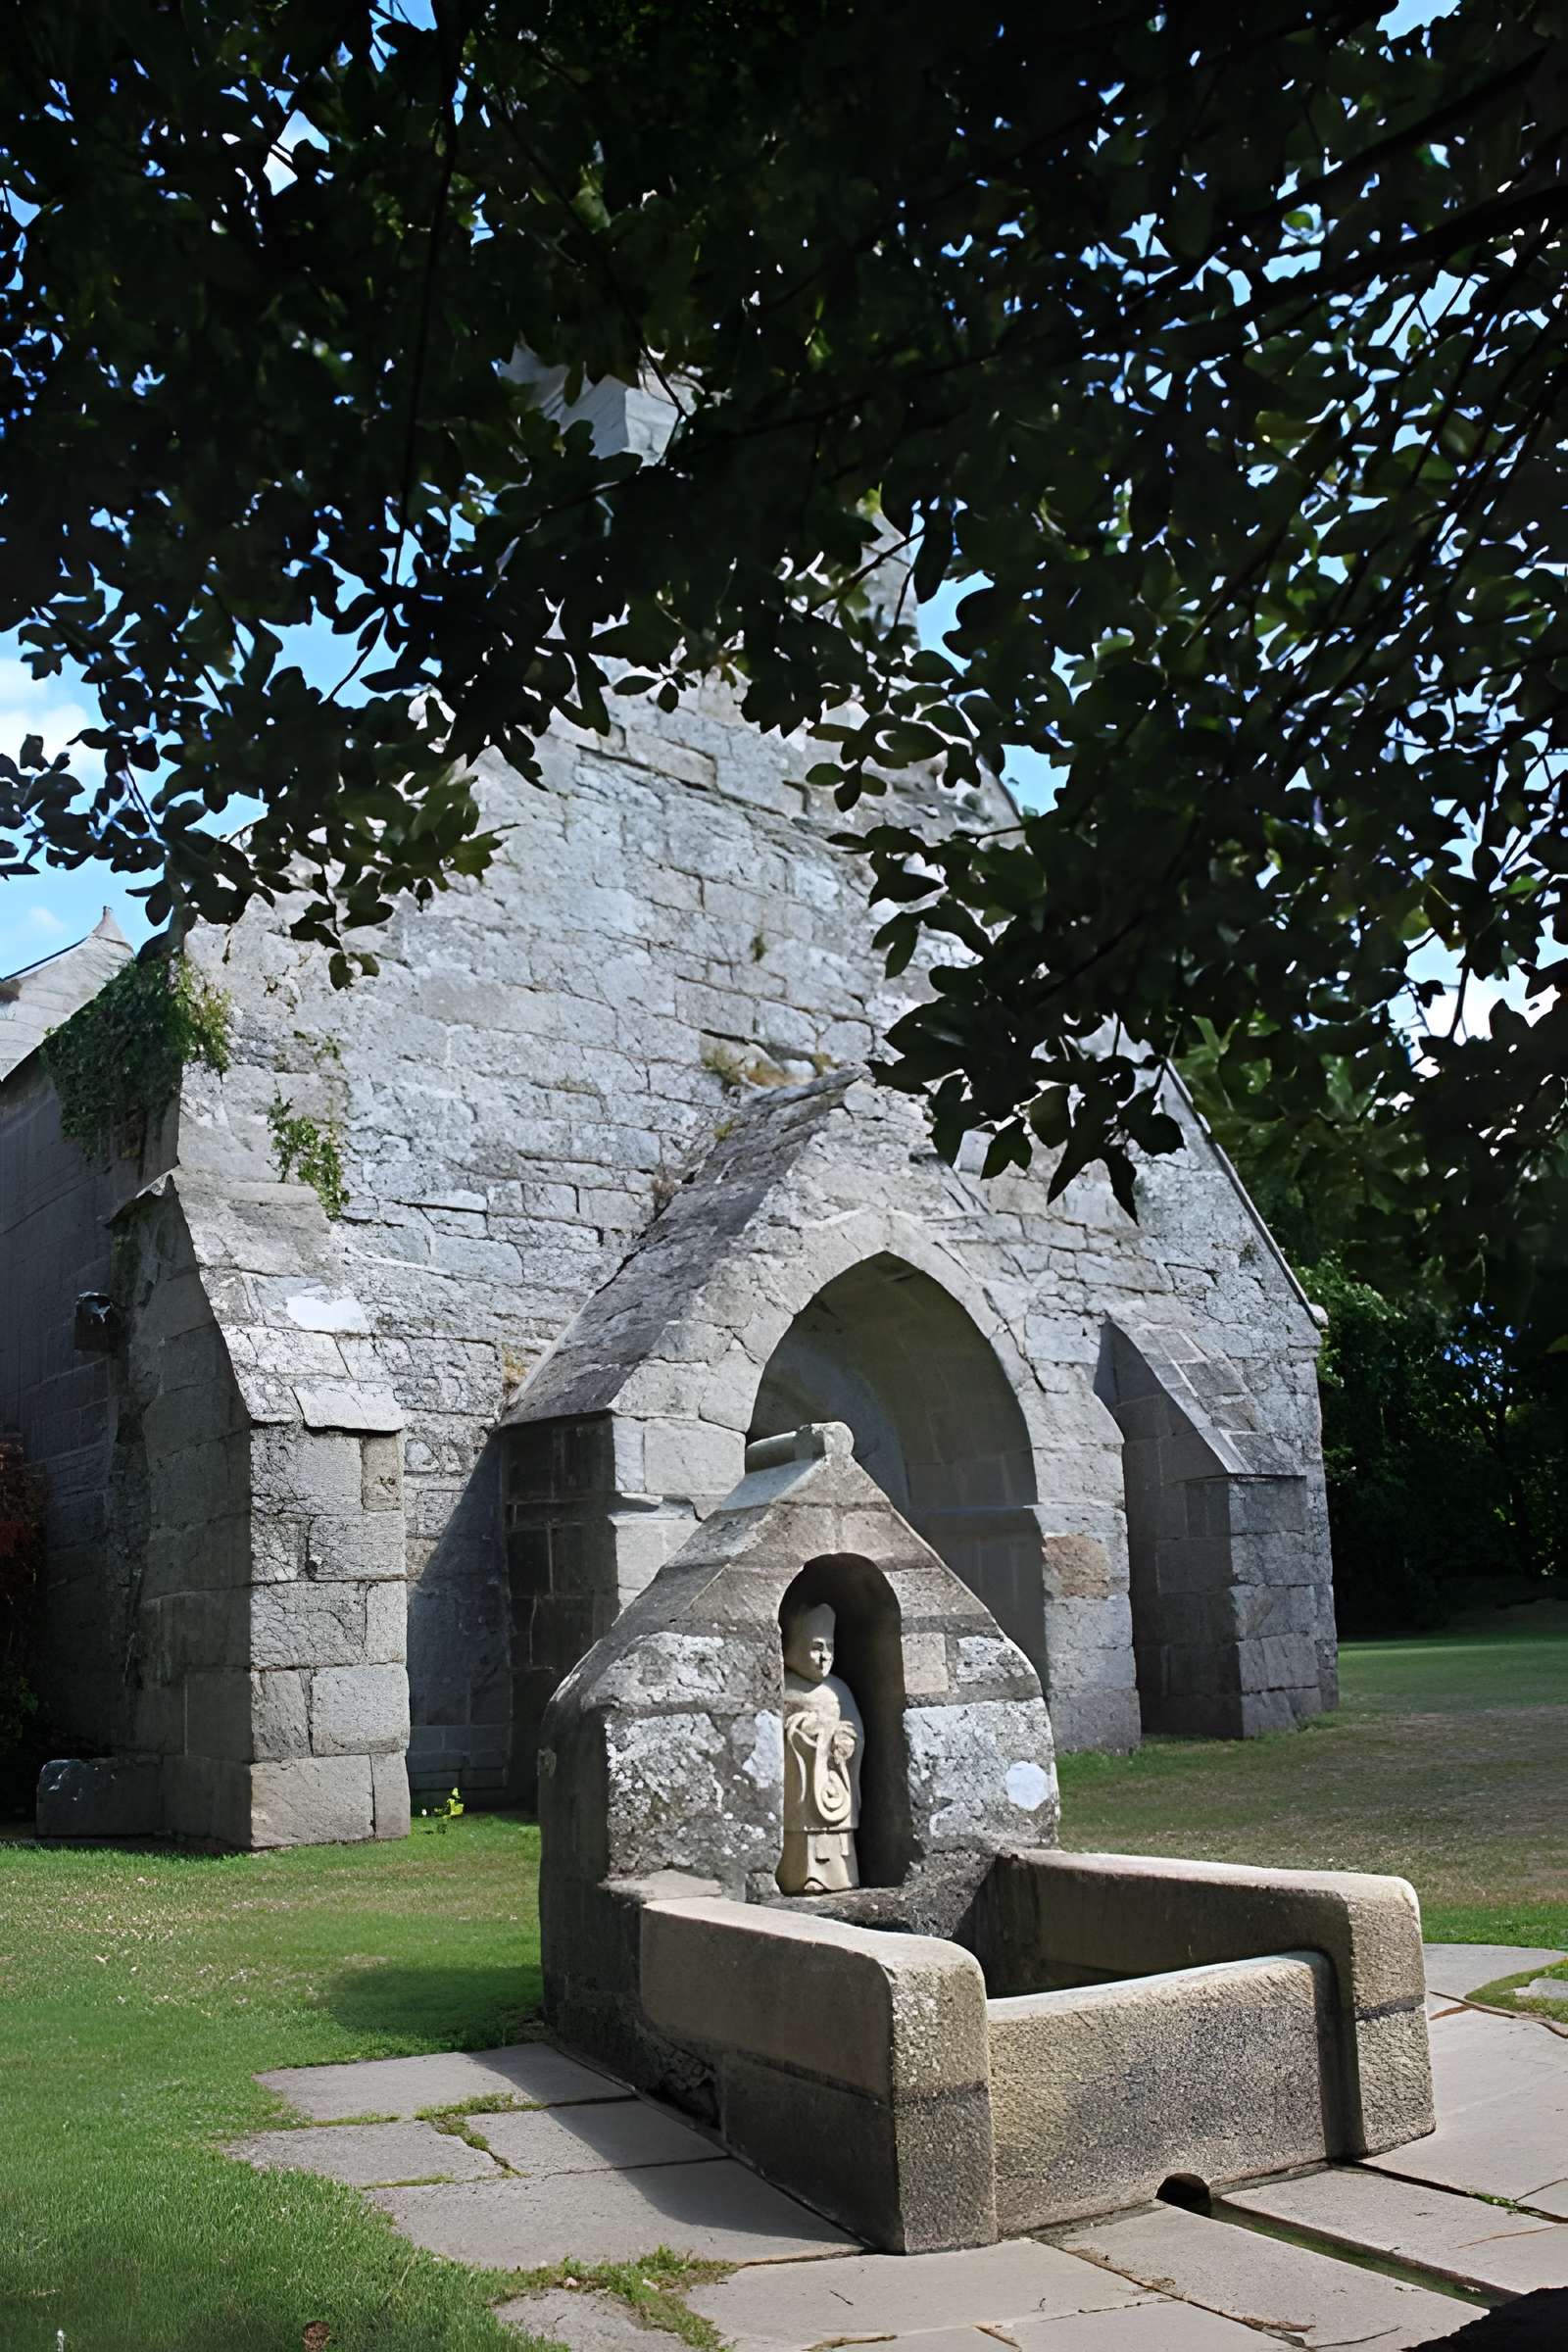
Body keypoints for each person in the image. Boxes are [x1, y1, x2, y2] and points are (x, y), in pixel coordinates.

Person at [777, 1600, 863, 1893]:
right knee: (802, 1833)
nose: (824, 1657)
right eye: (816, 1647)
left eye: (829, 1647)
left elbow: (856, 1730)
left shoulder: (839, 1690)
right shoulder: (784, 1686)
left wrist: (845, 1738)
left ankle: (841, 1875)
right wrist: (801, 1728)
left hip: (835, 1778)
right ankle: (802, 1875)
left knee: (838, 1837)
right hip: (801, 1781)